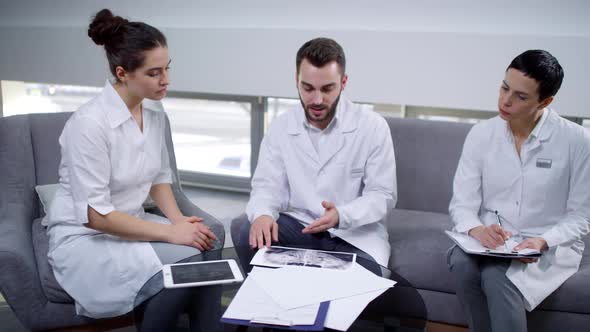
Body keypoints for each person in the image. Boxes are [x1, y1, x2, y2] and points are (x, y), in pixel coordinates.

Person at [45, 9, 222, 330]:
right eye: (154, 73)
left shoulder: (153, 108)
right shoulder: (88, 125)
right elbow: (96, 216)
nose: (165, 80)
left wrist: (178, 219)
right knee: (189, 265)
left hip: (132, 222)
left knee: (208, 247)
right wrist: (171, 232)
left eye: (167, 68)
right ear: (123, 72)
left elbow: (158, 177)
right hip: (88, 236)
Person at [448, 49, 590, 332]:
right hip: (491, 239)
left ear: (546, 101)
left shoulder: (577, 141)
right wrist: (477, 229)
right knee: (461, 264)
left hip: (547, 243)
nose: (505, 101)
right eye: (504, 87)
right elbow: (461, 205)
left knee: (497, 277)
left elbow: (581, 216)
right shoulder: (481, 134)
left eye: (520, 96)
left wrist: (542, 241)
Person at [241, 37, 397, 268]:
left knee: (364, 282)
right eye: (307, 88)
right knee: (249, 231)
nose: (316, 99)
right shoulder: (281, 126)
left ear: (343, 82)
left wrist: (342, 215)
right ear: (297, 81)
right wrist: (263, 214)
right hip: (300, 227)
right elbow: (267, 186)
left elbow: (383, 195)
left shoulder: (373, 126)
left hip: (354, 235)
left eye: (327, 89)